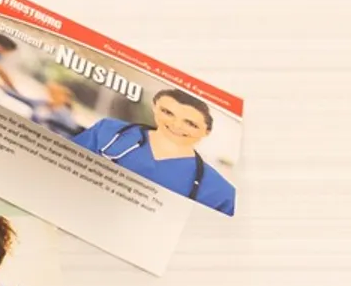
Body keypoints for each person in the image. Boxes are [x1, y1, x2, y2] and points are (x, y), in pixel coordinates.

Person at [68, 88, 235, 215]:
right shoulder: (108, 131)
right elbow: (64, 169)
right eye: (168, 112)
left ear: (206, 132)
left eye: (191, 124)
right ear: (155, 108)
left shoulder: (221, 193)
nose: (176, 126)